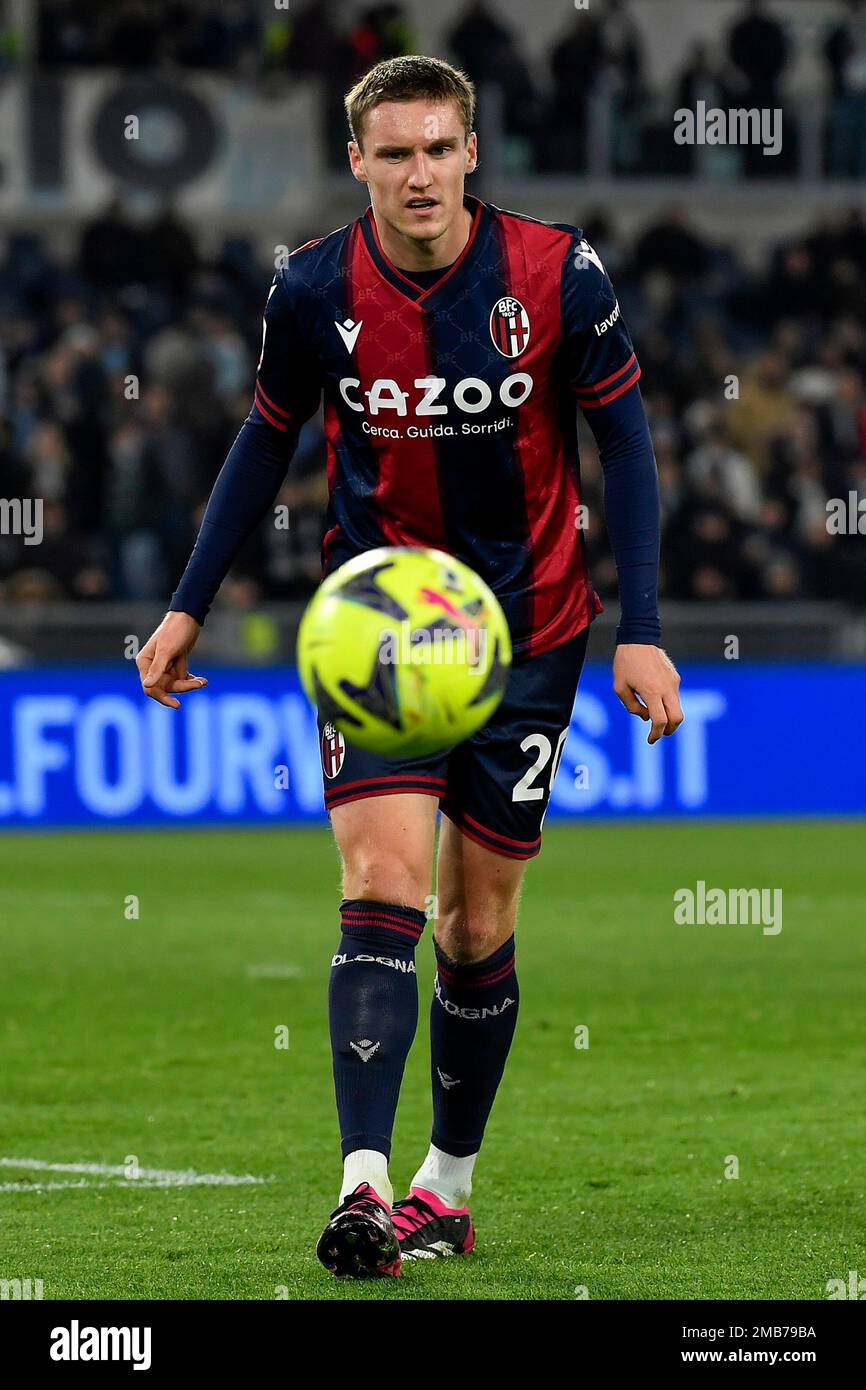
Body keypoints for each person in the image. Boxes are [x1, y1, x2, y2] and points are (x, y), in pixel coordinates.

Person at [136, 54, 683, 1278]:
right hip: (378, 637)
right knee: (379, 884)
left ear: (471, 152)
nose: (419, 173)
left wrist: (639, 624)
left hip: (533, 635)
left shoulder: (557, 274)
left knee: (473, 928)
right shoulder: (311, 287)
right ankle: (364, 1184)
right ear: (359, 164)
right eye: (395, 154)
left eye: (438, 149)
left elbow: (628, 446)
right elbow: (261, 439)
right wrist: (187, 603)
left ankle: (446, 1182)